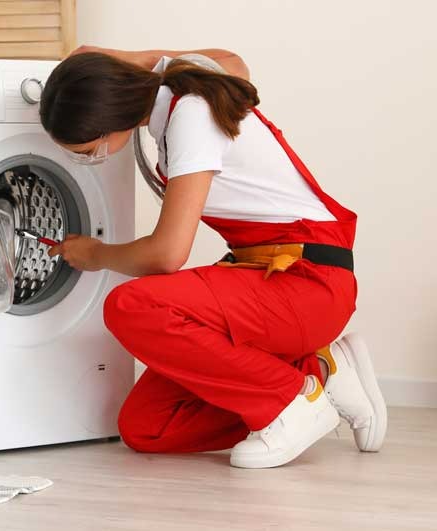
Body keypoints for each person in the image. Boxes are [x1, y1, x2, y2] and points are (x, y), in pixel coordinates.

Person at [39, 47, 387, 468]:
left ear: (113, 120)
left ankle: (291, 401)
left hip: (307, 280)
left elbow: (167, 255)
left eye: (89, 149)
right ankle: (319, 371)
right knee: (147, 426)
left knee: (132, 305)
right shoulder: (185, 87)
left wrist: (96, 254)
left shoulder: (191, 115)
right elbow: (233, 61)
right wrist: (130, 60)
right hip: (267, 275)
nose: (90, 158)